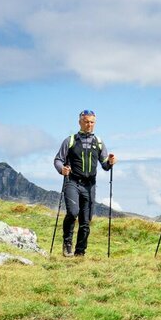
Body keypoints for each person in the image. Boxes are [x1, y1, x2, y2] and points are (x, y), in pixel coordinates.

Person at [53, 109, 116, 257]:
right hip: (72, 182)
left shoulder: (98, 142)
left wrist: (110, 162)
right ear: (80, 122)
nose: (89, 125)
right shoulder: (70, 141)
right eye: (86, 122)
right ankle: (67, 244)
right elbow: (58, 160)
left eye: (92, 122)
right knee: (73, 212)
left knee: (86, 220)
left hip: (90, 185)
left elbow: (105, 165)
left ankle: (80, 252)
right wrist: (62, 169)